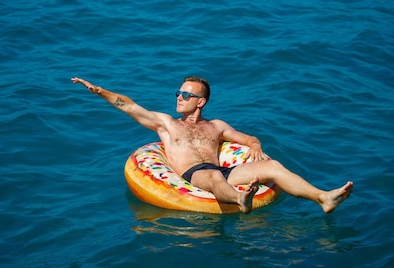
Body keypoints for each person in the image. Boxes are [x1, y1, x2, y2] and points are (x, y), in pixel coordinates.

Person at [71, 75, 353, 215]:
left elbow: (247, 139)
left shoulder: (216, 126)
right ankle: (240, 200)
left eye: (185, 94)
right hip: (195, 174)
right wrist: (100, 91)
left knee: (274, 166)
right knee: (214, 175)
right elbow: (130, 106)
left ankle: (323, 198)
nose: (178, 97)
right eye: (178, 92)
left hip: (224, 172)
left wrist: (255, 144)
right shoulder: (167, 124)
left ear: (200, 102)